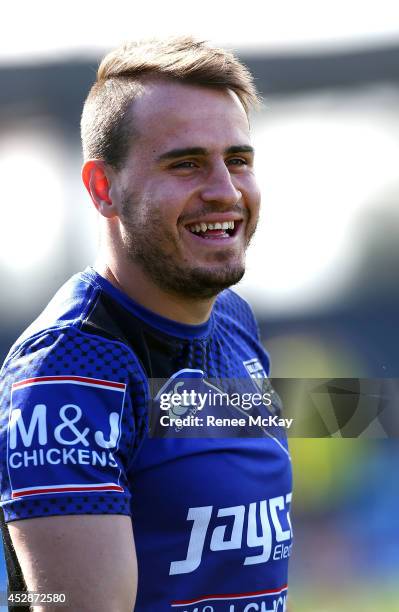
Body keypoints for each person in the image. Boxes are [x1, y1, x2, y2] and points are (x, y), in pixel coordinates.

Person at [0, 37, 293, 611]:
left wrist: (380, 409)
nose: (224, 190)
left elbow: (192, 427)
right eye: (185, 163)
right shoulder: (68, 372)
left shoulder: (231, 321)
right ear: (102, 188)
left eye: (238, 160)